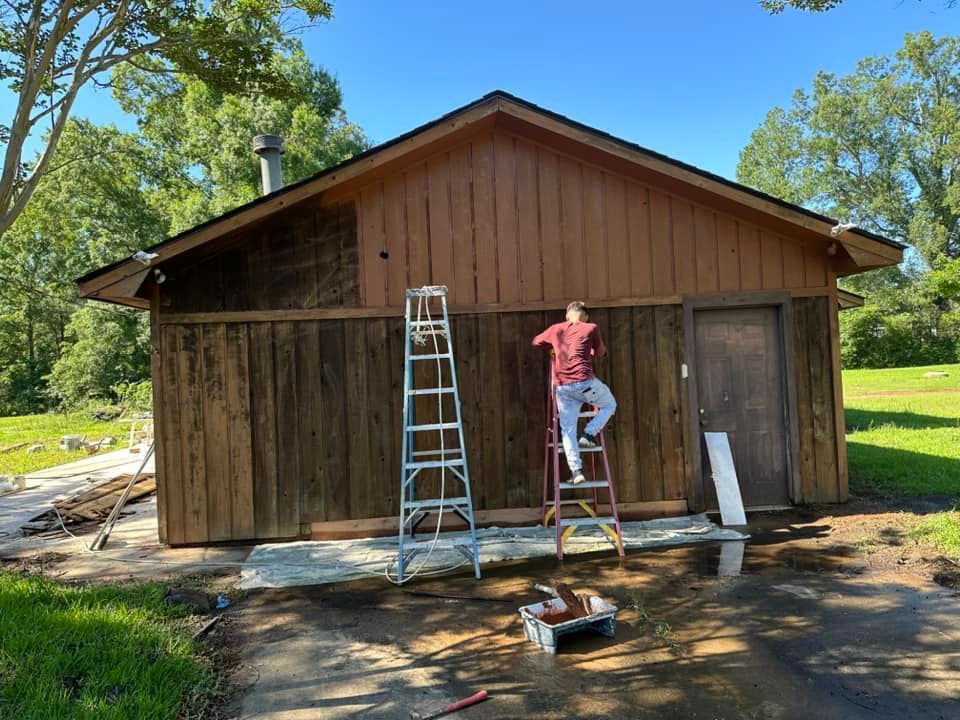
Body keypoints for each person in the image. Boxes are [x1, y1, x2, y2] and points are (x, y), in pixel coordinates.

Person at [532, 301, 617, 485]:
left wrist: (552, 347)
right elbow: (601, 352)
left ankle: (576, 471)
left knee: (567, 430)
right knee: (609, 404)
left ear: (567, 315)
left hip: (562, 387)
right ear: (585, 316)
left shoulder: (556, 329)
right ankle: (588, 435)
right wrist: (591, 349)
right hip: (585, 383)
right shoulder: (591, 328)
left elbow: (536, 341)